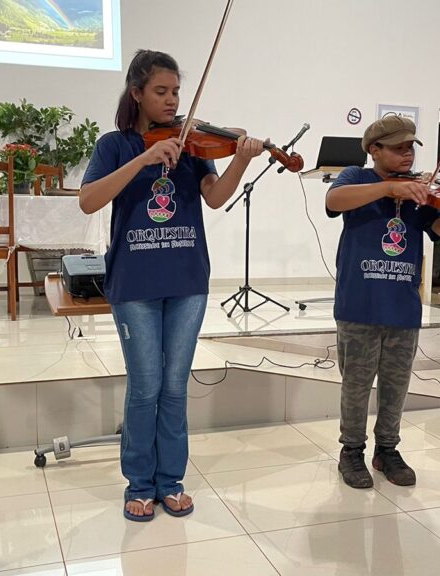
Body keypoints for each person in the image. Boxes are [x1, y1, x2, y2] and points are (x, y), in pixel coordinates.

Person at [79, 50, 264, 521]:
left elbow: (218, 198)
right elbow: (88, 200)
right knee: (145, 387)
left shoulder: (193, 146)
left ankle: (171, 480)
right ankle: (139, 483)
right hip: (134, 284)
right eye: (161, 91)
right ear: (137, 93)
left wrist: (240, 161)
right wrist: (144, 158)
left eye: (176, 91)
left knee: (175, 387)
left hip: (186, 281)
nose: (171, 100)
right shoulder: (114, 145)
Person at [325, 116, 440, 488]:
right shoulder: (356, 177)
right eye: (398, 147)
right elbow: (333, 201)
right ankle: (351, 451)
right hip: (359, 302)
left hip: (403, 304)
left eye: (410, 147)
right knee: (356, 384)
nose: (407, 154)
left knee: (396, 384)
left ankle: (387, 448)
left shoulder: (420, 190)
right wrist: (389, 189)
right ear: (374, 149)